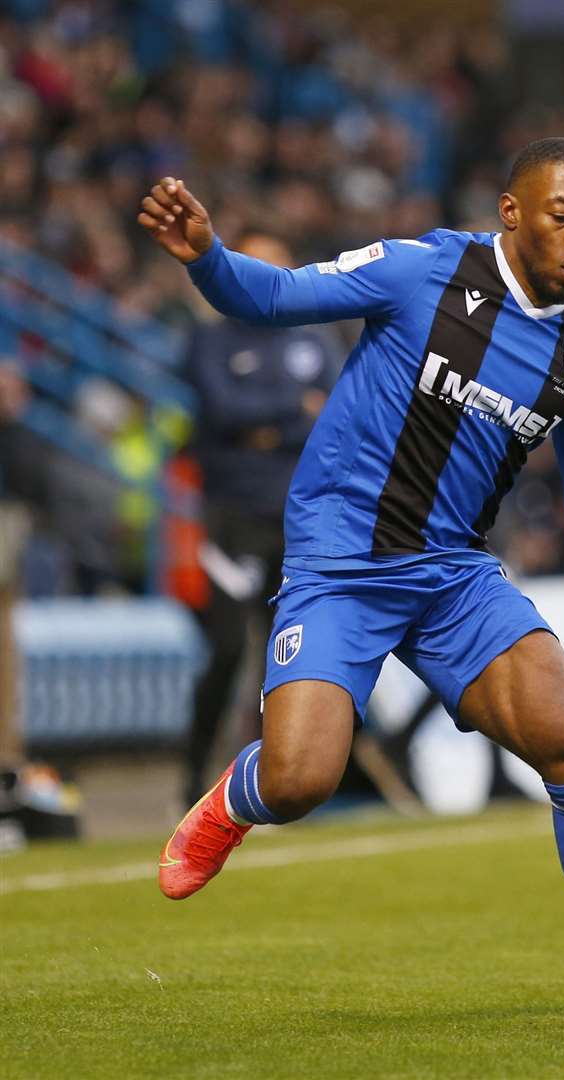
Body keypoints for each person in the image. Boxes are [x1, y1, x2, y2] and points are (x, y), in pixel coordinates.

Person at [137, 138, 564, 1030]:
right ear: (512, 213)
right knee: (301, 779)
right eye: (561, 216)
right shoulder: (421, 270)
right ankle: (234, 800)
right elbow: (277, 297)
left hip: (451, 572)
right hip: (341, 556)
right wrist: (210, 259)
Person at [180, 232, 338, 809]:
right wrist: (295, 408)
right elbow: (221, 410)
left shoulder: (313, 339)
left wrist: (265, 429)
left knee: (290, 654)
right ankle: (192, 777)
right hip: (233, 518)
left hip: (300, 522)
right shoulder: (210, 339)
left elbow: (338, 411)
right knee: (225, 649)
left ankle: (273, 782)